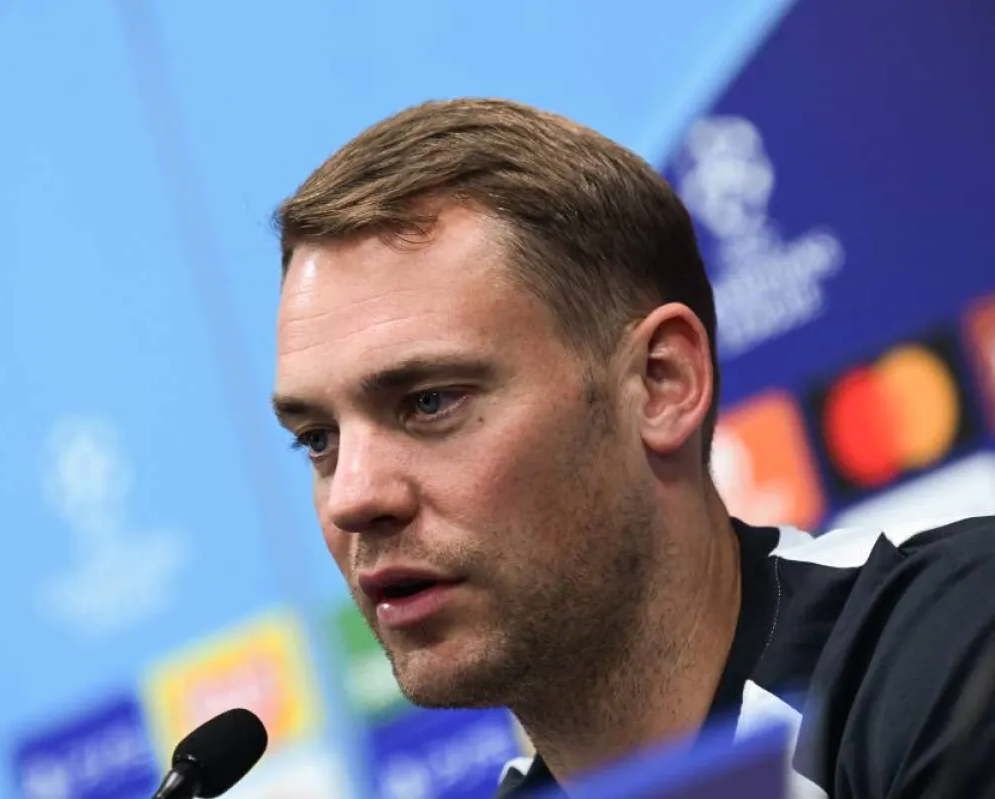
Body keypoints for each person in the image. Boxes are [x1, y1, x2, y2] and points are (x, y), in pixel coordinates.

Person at [267, 98, 995, 797]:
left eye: (430, 401)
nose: (354, 497)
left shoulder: (951, 650)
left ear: (660, 382)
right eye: (318, 439)